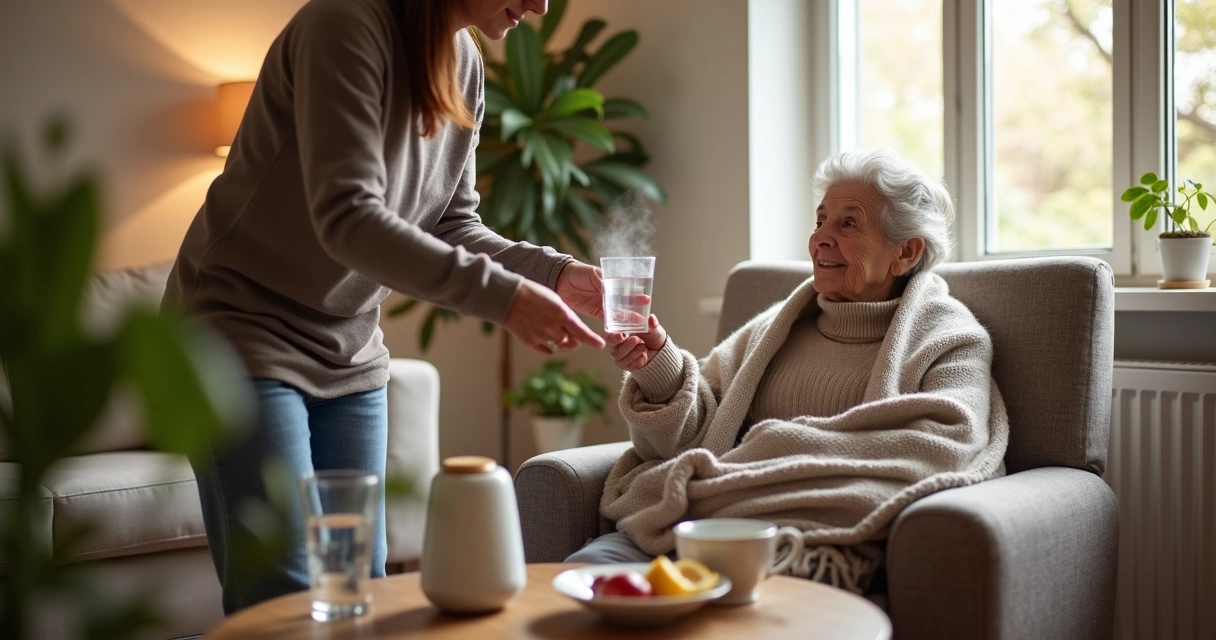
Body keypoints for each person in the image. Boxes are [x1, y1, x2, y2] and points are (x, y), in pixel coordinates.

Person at [161, 0, 604, 614]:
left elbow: (452, 222)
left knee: (361, 591)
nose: (541, 4)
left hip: (350, 350)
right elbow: (347, 216)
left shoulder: (466, 62)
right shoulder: (344, 25)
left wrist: (553, 273)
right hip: (238, 329)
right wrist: (504, 298)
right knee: (286, 593)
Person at [569, 149, 1010, 595]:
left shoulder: (949, 337)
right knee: (581, 578)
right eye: (821, 221)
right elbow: (685, 441)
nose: (820, 238)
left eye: (848, 223)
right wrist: (659, 365)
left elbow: (948, 444)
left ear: (906, 252)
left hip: (803, 545)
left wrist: (770, 447)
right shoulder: (773, 329)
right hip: (698, 531)